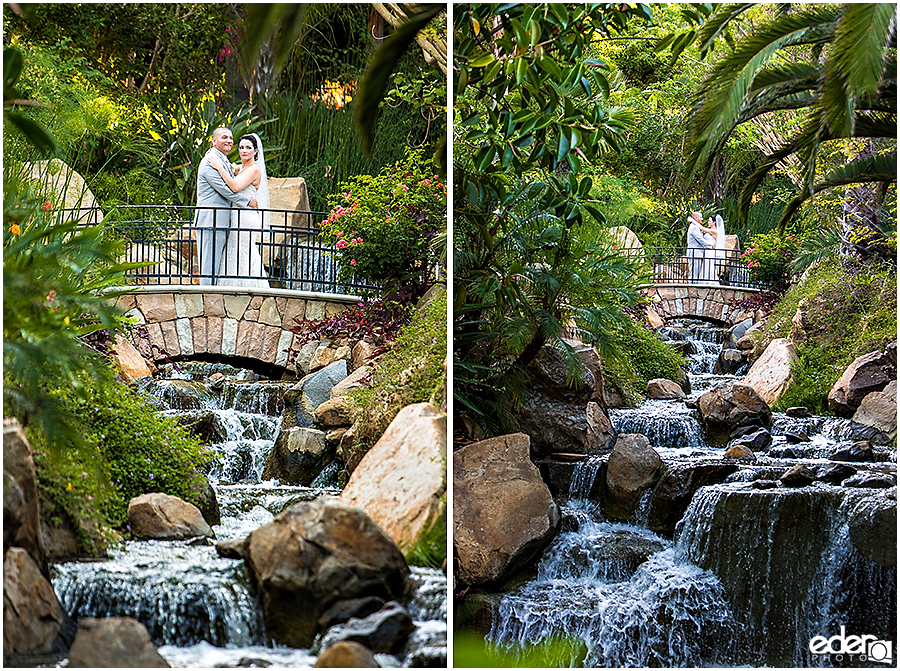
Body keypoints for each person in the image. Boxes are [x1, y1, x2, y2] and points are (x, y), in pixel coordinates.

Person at [205, 133, 270, 288]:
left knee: (245, 252)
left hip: (245, 217)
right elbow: (232, 169)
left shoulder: (253, 170)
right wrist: (214, 154)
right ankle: (233, 286)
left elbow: (234, 187)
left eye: (248, 148)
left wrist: (219, 167)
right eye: (241, 147)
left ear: (255, 151)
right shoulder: (242, 168)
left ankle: (251, 288)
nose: (244, 151)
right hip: (237, 217)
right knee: (234, 252)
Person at [195, 127, 258, 285]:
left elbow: (235, 172)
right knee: (209, 266)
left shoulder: (221, 160)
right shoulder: (210, 162)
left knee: (218, 266)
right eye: (224, 137)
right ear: (214, 141)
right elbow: (225, 190)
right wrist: (246, 201)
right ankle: (206, 300)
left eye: (230, 138)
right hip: (211, 220)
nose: (229, 140)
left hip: (222, 220)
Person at [686, 210, 717, 283]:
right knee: (694, 272)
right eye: (700, 217)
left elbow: (703, 229)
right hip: (695, 253)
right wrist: (711, 246)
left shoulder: (698, 227)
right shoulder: (694, 228)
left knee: (698, 272)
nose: (702, 219)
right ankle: (692, 286)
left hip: (702, 253)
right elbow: (700, 240)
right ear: (696, 218)